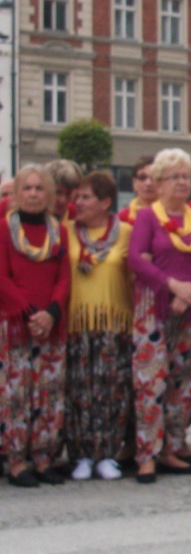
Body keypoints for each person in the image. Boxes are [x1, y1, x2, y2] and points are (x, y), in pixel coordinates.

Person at [128, 149, 191, 483]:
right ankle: (147, 454)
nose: (182, 183)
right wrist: (172, 286)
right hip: (154, 307)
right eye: (175, 177)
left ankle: (173, 448)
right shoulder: (149, 217)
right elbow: (137, 259)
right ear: (160, 183)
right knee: (151, 381)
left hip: (190, 308)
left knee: (183, 380)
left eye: (186, 176)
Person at [0, 165, 70, 487]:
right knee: (16, 394)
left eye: (39, 189)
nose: (32, 194)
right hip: (16, 322)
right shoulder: (3, 229)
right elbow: (2, 276)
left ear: (49, 195)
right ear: (16, 194)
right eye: (26, 188)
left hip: (51, 324)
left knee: (48, 393)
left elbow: (64, 277)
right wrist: (29, 313)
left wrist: (51, 312)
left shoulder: (60, 230)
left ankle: (44, 457)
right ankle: (16, 461)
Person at [66, 171, 133, 481]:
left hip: (114, 322)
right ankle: (80, 454)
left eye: (86, 197)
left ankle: (107, 452)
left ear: (106, 202)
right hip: (76, 323)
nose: (78, 202)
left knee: (111, 389)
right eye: (77, 196)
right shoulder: (66, 231)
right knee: (79, 390)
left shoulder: (126, 233)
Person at [119, 156, 158, 226]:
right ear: (134, 183)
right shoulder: (121, 219)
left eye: (154, 178)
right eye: (142, 178)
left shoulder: (175, 215)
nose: (148, 183)